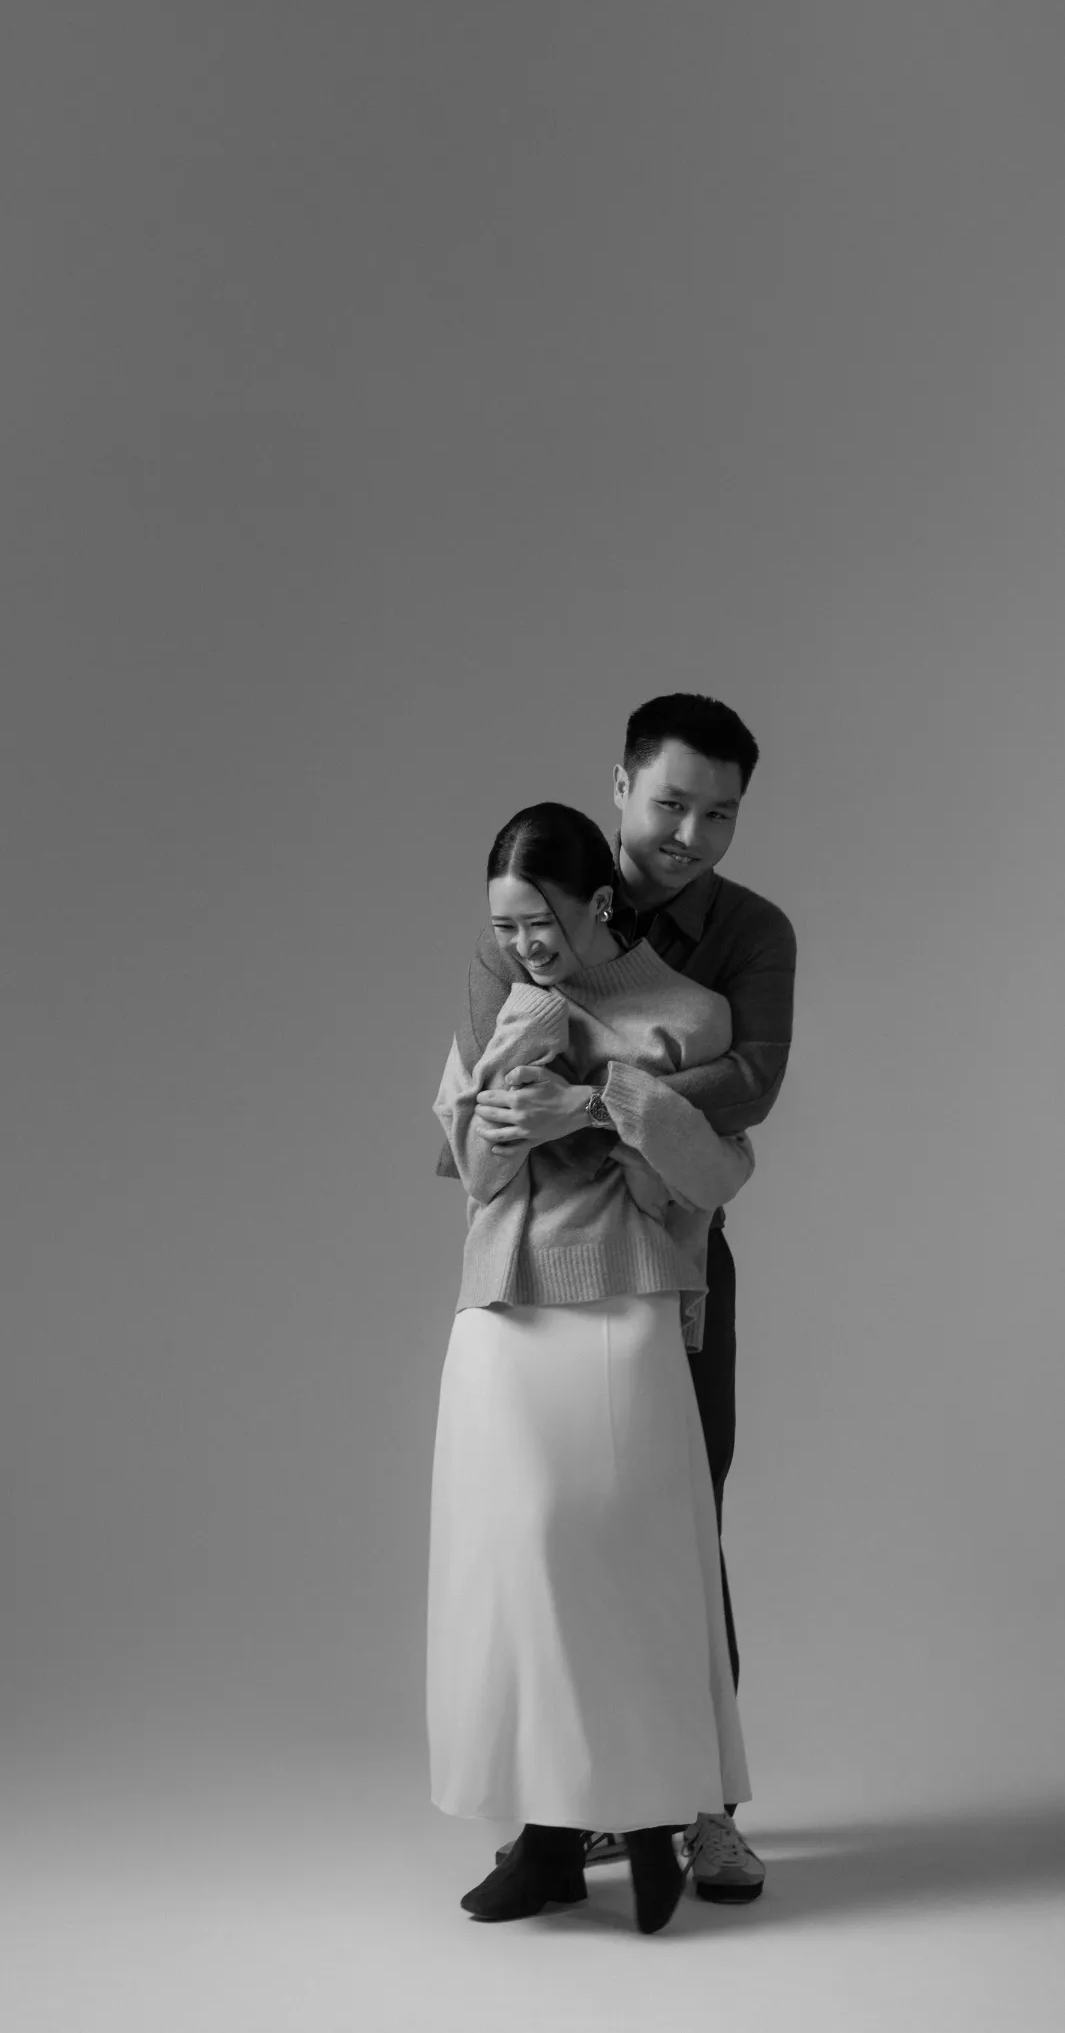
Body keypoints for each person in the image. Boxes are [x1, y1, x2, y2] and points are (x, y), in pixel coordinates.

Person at [438, 692, 796, 1905]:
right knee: (541, 1534)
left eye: (720, 813)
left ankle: (701, 1807)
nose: (691, 832)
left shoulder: (746, 934)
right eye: (672, 802)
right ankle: (575, 1802)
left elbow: (750, 1084)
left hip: (668, 1259)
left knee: (674, 1527)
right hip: (525, 1271)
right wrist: (522, 1105)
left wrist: (598, 1097)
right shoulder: (527, 909)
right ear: (621, 787)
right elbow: (476, 1106)